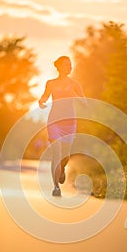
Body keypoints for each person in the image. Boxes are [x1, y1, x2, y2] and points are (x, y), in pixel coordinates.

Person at [39, 56, 86, 196]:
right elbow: (45, 96)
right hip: (54, 121)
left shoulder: (75, 84)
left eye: (70, 65)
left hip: (70, 123)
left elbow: (85, 103)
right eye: (66, 65)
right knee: (56, 153)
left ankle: (62, 168)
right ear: (59, 67)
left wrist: (74, 95)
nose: (69, 67)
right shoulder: (51, 83)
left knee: (65, 156)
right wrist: (41, 101)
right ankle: (56, 188)